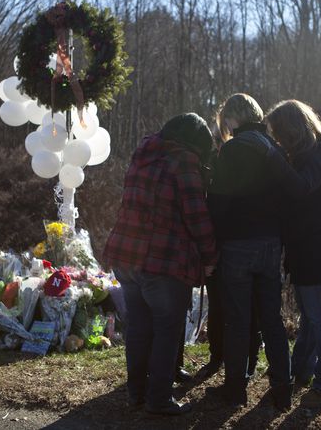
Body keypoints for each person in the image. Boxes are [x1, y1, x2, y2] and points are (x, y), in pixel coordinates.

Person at [103, 112, 217, 416]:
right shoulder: (184, 162)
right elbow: (196, 217)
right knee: (167, 329)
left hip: (126, 255)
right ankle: (159, 399)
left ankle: (136, 393)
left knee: (139, 327)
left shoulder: (143, 155)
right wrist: (210, 257)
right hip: (161, 260)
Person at [264, 100, 321, 407]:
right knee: (311, 314)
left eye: (279, 134)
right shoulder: (311, 154)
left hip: (317, 246)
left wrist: (275, 160)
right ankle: (301, 371)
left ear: (292, 129)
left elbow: (301, 188)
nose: (277, 141)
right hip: (307, 245)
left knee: (319, 314)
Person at [205, 93, 293, 410]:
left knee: (239, 320)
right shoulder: (274, 150)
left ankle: (235, 388)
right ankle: (283, 386)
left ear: (231, 119)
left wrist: (212, 240)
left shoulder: (232, 150)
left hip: (238, 244)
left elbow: (220, 201)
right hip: (271, 243)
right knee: (271, 318)